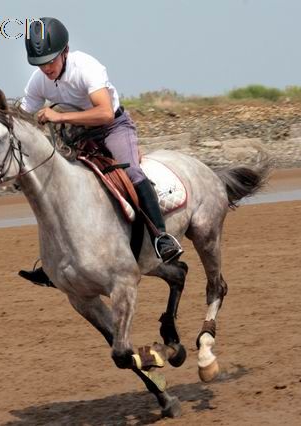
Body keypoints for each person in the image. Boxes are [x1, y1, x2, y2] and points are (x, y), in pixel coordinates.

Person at [17, 17, 183, 286]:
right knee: (58, 185)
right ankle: (55, 263)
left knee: (131, 172)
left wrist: (58, 118)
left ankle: (161, 238)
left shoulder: (86, 67)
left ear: (66, 51)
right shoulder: (38, 82)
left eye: (50, 60)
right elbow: (23, 116)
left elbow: (105, 113)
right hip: (77, 134)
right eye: (40, 63)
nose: (46, 68)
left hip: (112, 128)